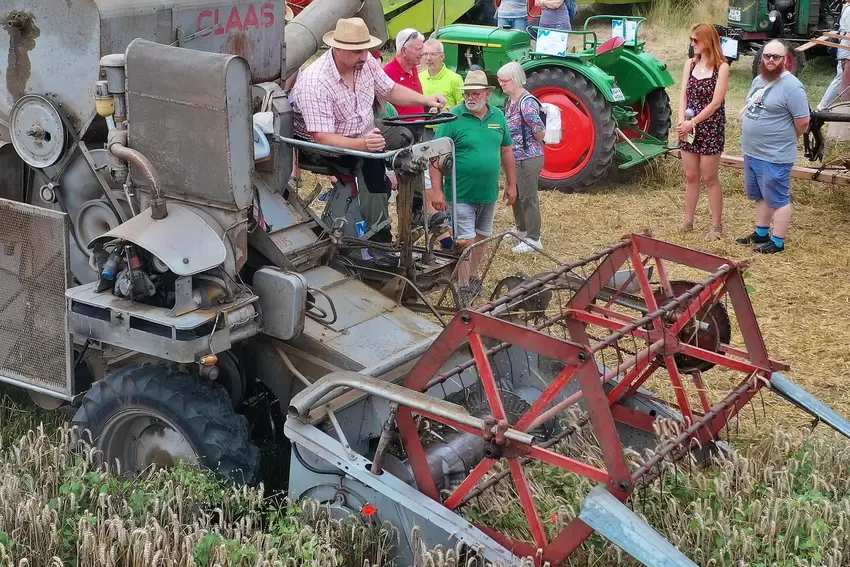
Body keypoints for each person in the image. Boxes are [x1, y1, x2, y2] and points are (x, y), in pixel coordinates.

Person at [290, 18, 446, 242]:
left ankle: (415, 208)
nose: (364, 56)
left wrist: (427, 100)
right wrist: (363, 145)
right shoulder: (316, 81)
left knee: (408, 137)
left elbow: (389, 90)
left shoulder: (364, 63)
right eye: (357, 52)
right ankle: (379, 235)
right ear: (339, 48)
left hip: (363, 131)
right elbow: (322, 137)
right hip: (325, 147)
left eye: (365, 49)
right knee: (370, 164)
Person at [428, 70, 517, 300]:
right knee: (465, 241)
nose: (471, 98)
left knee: (482, 238)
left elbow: (506, 149)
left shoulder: (498, 117)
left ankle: (472, 277)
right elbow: (435, 157)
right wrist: (436, 191)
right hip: (460, 193)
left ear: (488, 94)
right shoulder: (452, 119)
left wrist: (511, 184)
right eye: (467, 93)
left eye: (476, 93)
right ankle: (464, 285)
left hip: (488, 193)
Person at [736, 39, 810, 254]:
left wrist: (781, 138)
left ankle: (778, 241)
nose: (770, 60)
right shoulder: (759, 80)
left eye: (775, 57)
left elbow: (803, 122)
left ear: (785, 60)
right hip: (753, 152)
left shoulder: (793, 87)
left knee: (778, 198)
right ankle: (761, 233)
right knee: (760, 195)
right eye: (766, 56)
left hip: (775, 155)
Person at [676, 23, 730, 241]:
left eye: (696, 40)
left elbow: (716, 103)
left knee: (709, 176)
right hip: (689, 126)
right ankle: (688, 220)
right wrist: (681, 122)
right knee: (691, 175)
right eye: (691, 40)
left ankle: (717, 225)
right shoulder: (689, 64)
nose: (693, 44)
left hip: (709, 127)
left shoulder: (722, 68)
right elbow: (683, 95)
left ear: (708, 41)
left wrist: (693, 122)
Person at [497, 62, 545, 253]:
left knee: (528, 197)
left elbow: (540, 132)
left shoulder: (527, 103)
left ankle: (534, 238)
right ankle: (522, 229)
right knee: (515, 196)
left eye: (504, 81)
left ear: (515, 80)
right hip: (515, 156)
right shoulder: (511, 101)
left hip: (528, 157)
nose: (501, 84)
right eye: (499, 80)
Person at [419, 38, 465, 140]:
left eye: (433, 54)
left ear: (442, 56)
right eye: (425, 54)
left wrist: (444, 111)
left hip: (447, 130)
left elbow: (463, 104)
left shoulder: (455, 79)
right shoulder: (419, 77)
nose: (428, 58)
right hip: (423, 130)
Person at [383, 28, 426, 115]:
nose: (422, 53)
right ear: (404, 51)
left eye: (422, 48)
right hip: (400, 127)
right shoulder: (388, 73)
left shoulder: (413, 69)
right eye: (418, 49)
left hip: (420, 125)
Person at [817, 0, 850, 111]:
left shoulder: (846, 7)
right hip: (846, 49)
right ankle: (823, 105)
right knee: (841, 77)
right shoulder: (849, 9)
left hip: (844, 46)